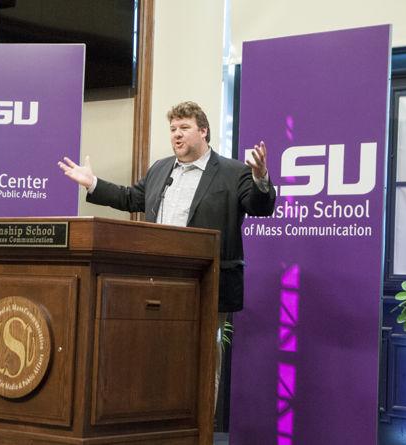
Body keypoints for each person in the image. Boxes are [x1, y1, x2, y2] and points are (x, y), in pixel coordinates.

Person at [58, 100, 276, 407]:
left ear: (203, 131)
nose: (176, 134)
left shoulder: (233, 172)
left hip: (207, 284)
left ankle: (200, 429)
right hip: (157, 281)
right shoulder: (160, 169)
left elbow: (260, 207)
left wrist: (260, 178)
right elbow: (132, 198)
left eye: (184, 128)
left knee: (203, 360)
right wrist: (93, 183)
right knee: (159, 354)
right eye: (172, 128)